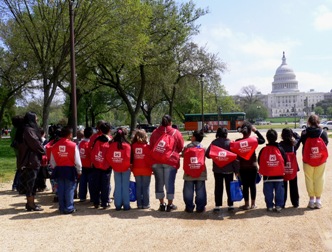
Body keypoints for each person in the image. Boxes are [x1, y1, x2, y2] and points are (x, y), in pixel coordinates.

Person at [150, 114, 184, 212]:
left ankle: (161, 203)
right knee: (169, 182)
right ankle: (170, 204)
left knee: (159, 182)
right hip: (170, 160)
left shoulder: (155, 132)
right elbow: (181, 146)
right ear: (170, 122)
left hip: (156, 160)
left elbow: (151, 146)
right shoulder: (175, 132)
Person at [297, 115, 328, 209]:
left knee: (309, 179)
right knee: (319, 178)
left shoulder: (305, 132)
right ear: (318, 121)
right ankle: (318, 200)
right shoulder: (323, 132)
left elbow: (302, 143)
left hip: (307, 159)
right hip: (320, 159)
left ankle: (311, 200)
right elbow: (326, 143)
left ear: (309, 122)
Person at [206, 127, 239, 212]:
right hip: (229, 169)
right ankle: (230, 205)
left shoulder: (214, 143)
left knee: (218, 187)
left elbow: (207, 154)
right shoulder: (230, 143)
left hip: (218, 169)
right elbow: (235, 158)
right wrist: (236, 171)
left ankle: (218, 205)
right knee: (229, 187)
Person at [16, 112, 45, 211]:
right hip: (30, 161)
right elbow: (35, 144)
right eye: (36, 119)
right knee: (31, 184)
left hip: (28, 161)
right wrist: (43, 150)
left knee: (31, 183)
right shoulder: (29, 130)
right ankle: (31, 204)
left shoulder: (24, 129)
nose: (37, 121)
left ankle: (30, 203)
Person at [50, 126, 82, 214]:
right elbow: (77, 160)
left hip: (59, 169)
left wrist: (56, 166)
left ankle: (62, 207)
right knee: (70, 189)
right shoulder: (73, 145)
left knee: (60, 189)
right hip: (70, 169)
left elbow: (52, 161)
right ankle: (69, 207)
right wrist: (79, 170)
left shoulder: (55, 145)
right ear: (70, 134)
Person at [234, 121, 265, 210]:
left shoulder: (238, 142)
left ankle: (246, 204)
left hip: (242, 167)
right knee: (252, 185)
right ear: (250, 131)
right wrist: (256, 131)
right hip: (253, 166)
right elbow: (263, 140)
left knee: (245, 185)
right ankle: (253, 204)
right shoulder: (253, 140)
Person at [258, 129, 287, 212]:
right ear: (276, 137)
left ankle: (269, 205)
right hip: (279, 176)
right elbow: (284, 160)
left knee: (268, 192)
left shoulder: (263, 150)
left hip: (267, 176)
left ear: (267, 138)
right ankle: (278, 205)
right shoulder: (280, 149)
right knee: (279, 192)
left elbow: (260, 161)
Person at [107, 127, 131, 211]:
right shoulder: (127, 145)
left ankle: (117, 204)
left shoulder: (112, 145)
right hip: (125, 168)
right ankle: (126, 205)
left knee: (117, 186)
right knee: (125, 186)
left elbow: (108, 156)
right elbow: (128, 158)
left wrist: (114, 165)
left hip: (116, 168)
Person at [182, 130, 207, 213]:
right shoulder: (203, 148)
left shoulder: (187, 147)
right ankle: (200, 208)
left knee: (188, 190)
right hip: (201, 172)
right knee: (200, 190)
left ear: (194, 138)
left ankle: (189, 207)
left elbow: (183, 155)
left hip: (189, 172)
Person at [90, 122, 112, 209]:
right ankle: (105, 202)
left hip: (96, 164)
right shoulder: (110, 140)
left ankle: (96, 202)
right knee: (105, 184)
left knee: (96, 183)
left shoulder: (96, 139)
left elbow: (91, 150)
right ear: (109, 130)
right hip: (106, 165)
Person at [131, 129, 152, 209]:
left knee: (138, 186)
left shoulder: (133, 146)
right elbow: (150, 158)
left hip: (136, 168)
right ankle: (146, 204)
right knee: (146, 187)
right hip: (146, 168)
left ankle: (139, 204)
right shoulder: (148, 146)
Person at [279, 128, 300, 208]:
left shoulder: (280, 145)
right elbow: (299, 138)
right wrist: (293, 133)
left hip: (283, 168)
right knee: (294, 185)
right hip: (293, 167)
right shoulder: (294, 144)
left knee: (283, 186)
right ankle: (295, 202)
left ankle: (282, 203)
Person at [78, 127, 94, 202]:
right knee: (91, 182)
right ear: (91, 135)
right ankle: (92, 196)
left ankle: (82, 196)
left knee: (82, 182)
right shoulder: (91, 144)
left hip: (82, 165)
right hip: (90, 166)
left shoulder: (80, 143)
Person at [10, 115, 24, 191]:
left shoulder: (13, 130)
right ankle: (15, 185)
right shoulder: (18, 130)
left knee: (20, 168)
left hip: (17, 151)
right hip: (20, 151)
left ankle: (17, 184)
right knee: (20, 169)